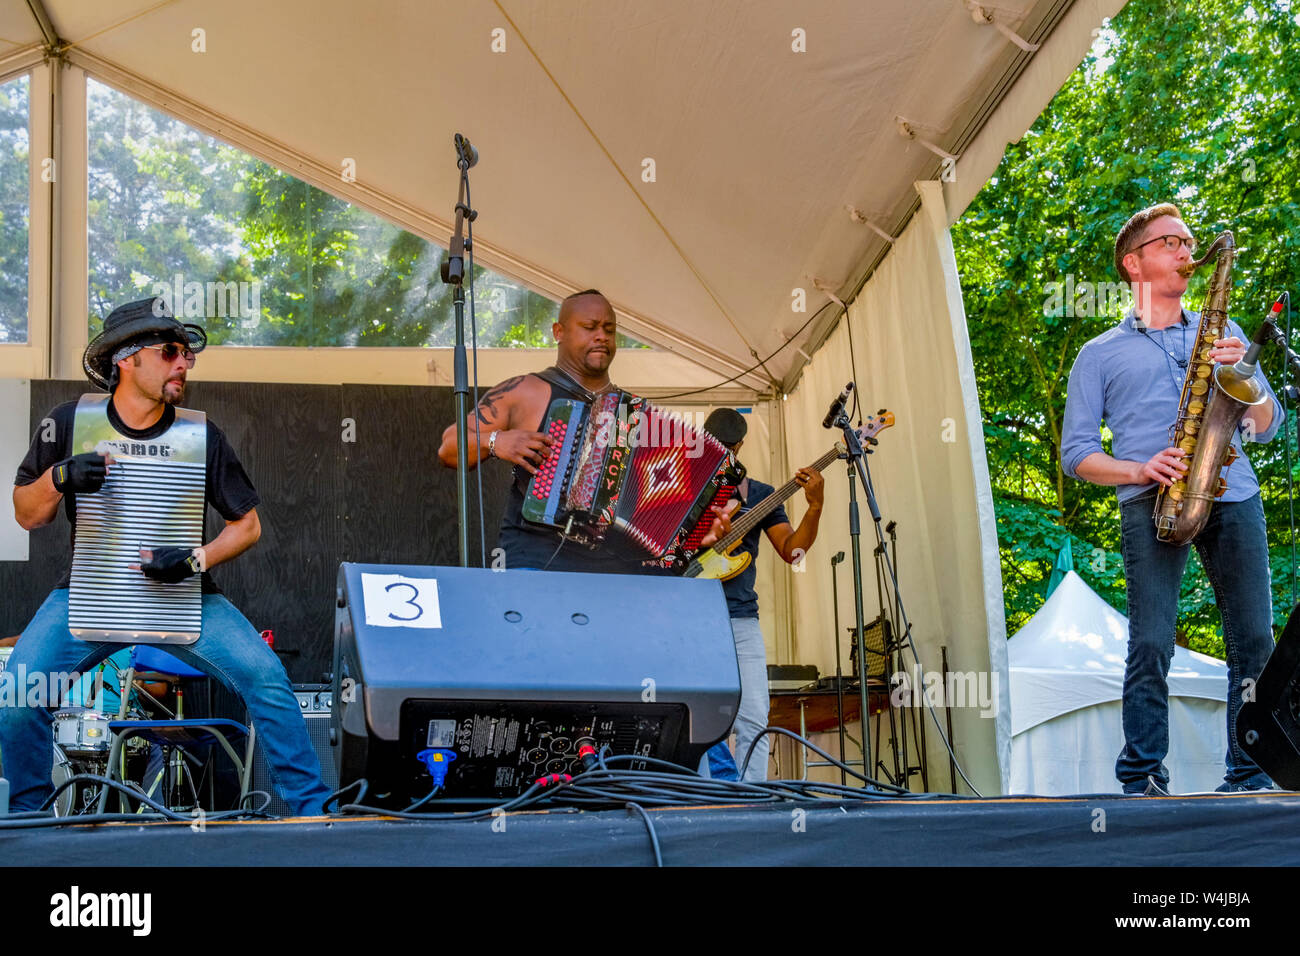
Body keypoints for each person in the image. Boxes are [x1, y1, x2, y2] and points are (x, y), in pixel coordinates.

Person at [1, 297, 330, 815]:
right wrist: (60, 477)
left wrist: (195, 559)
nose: (184, 363)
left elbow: (248, 527)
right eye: (171, 351)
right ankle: (28, 823)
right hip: (93, 597)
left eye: (188, 354)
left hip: (184, 600)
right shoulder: (69, 421)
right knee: (19, 695)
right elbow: (26, 514)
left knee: (267, 680)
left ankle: (313, 813)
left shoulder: (200, 435)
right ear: (126, 359)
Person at [1061, 203, 1283, 794]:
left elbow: (1268, 424)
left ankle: (1250, 773)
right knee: (1152, 639)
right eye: (1171, 243)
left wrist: (1251, 379)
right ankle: (1141, 778)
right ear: (1134, 263)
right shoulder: (1098, 354)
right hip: (1153, 500)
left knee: (1255, 640)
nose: (1188, 252)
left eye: (1190, 243)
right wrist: (1140, 467)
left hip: (1233, 493)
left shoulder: (1227, 334)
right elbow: (1076, 454)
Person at [438, 288, 666, 574]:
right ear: (559, 332)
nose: (601, 336)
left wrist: (692, 529)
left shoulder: (634, 412)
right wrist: (496, 441)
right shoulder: (524, 390)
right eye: (589, 327)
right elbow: (449, 448)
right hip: (536, 555)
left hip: (614, 564)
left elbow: (654, 505)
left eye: (609, 329)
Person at [698, 408, 824, 782]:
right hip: (691, 616)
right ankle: (704, 799)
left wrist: (815, 504)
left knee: (753, 715)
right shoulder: (687, 488)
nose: (721, 453)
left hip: (740, 618)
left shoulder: (763, 496)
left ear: (739, 447)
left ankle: (752, 801)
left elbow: (793, 551)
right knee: (698, 716)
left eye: (726, 448)